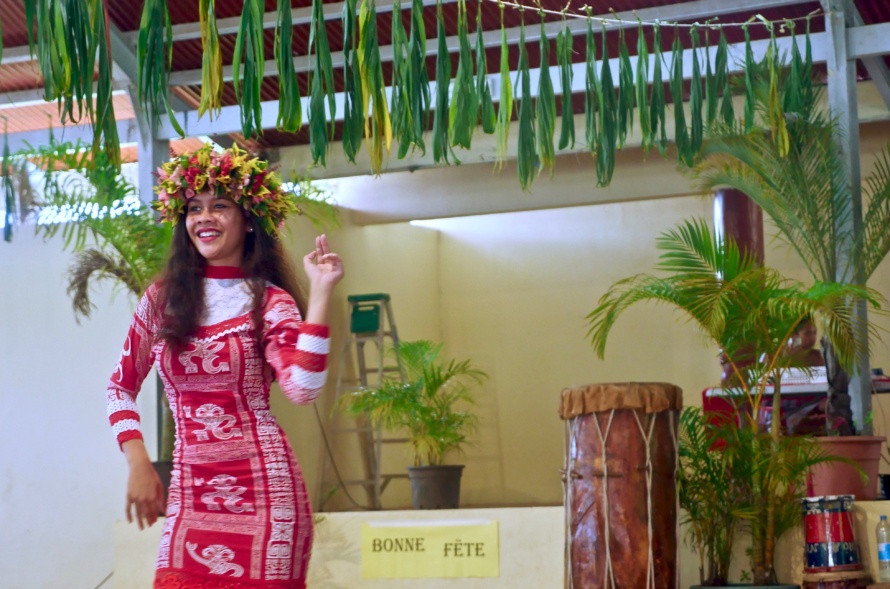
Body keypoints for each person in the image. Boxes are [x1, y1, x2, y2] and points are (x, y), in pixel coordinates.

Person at [106, 143, 344, 588]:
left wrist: (321, 293)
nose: (204, 217)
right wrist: (138, 462)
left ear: (249, 220)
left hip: (266, 494)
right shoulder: (161, 299)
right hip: (189, 493)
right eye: (194, 208)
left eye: (220, 206)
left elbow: (304, 388)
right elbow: (120, 388)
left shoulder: (271, 301)